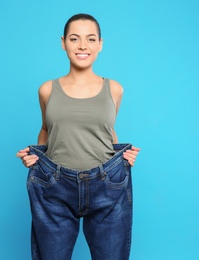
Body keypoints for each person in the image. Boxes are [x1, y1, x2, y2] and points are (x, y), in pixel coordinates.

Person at [16, 13, 140, 260]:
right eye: (75, 39)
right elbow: (46, 129)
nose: (83, 46)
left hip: (107, 184)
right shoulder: (47, 89)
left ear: (100, 44)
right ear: (63, 43)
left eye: (90, 39)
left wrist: (123, 157)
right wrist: (36, 159)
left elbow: (107, 131)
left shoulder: (114, 89)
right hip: (55, 184)